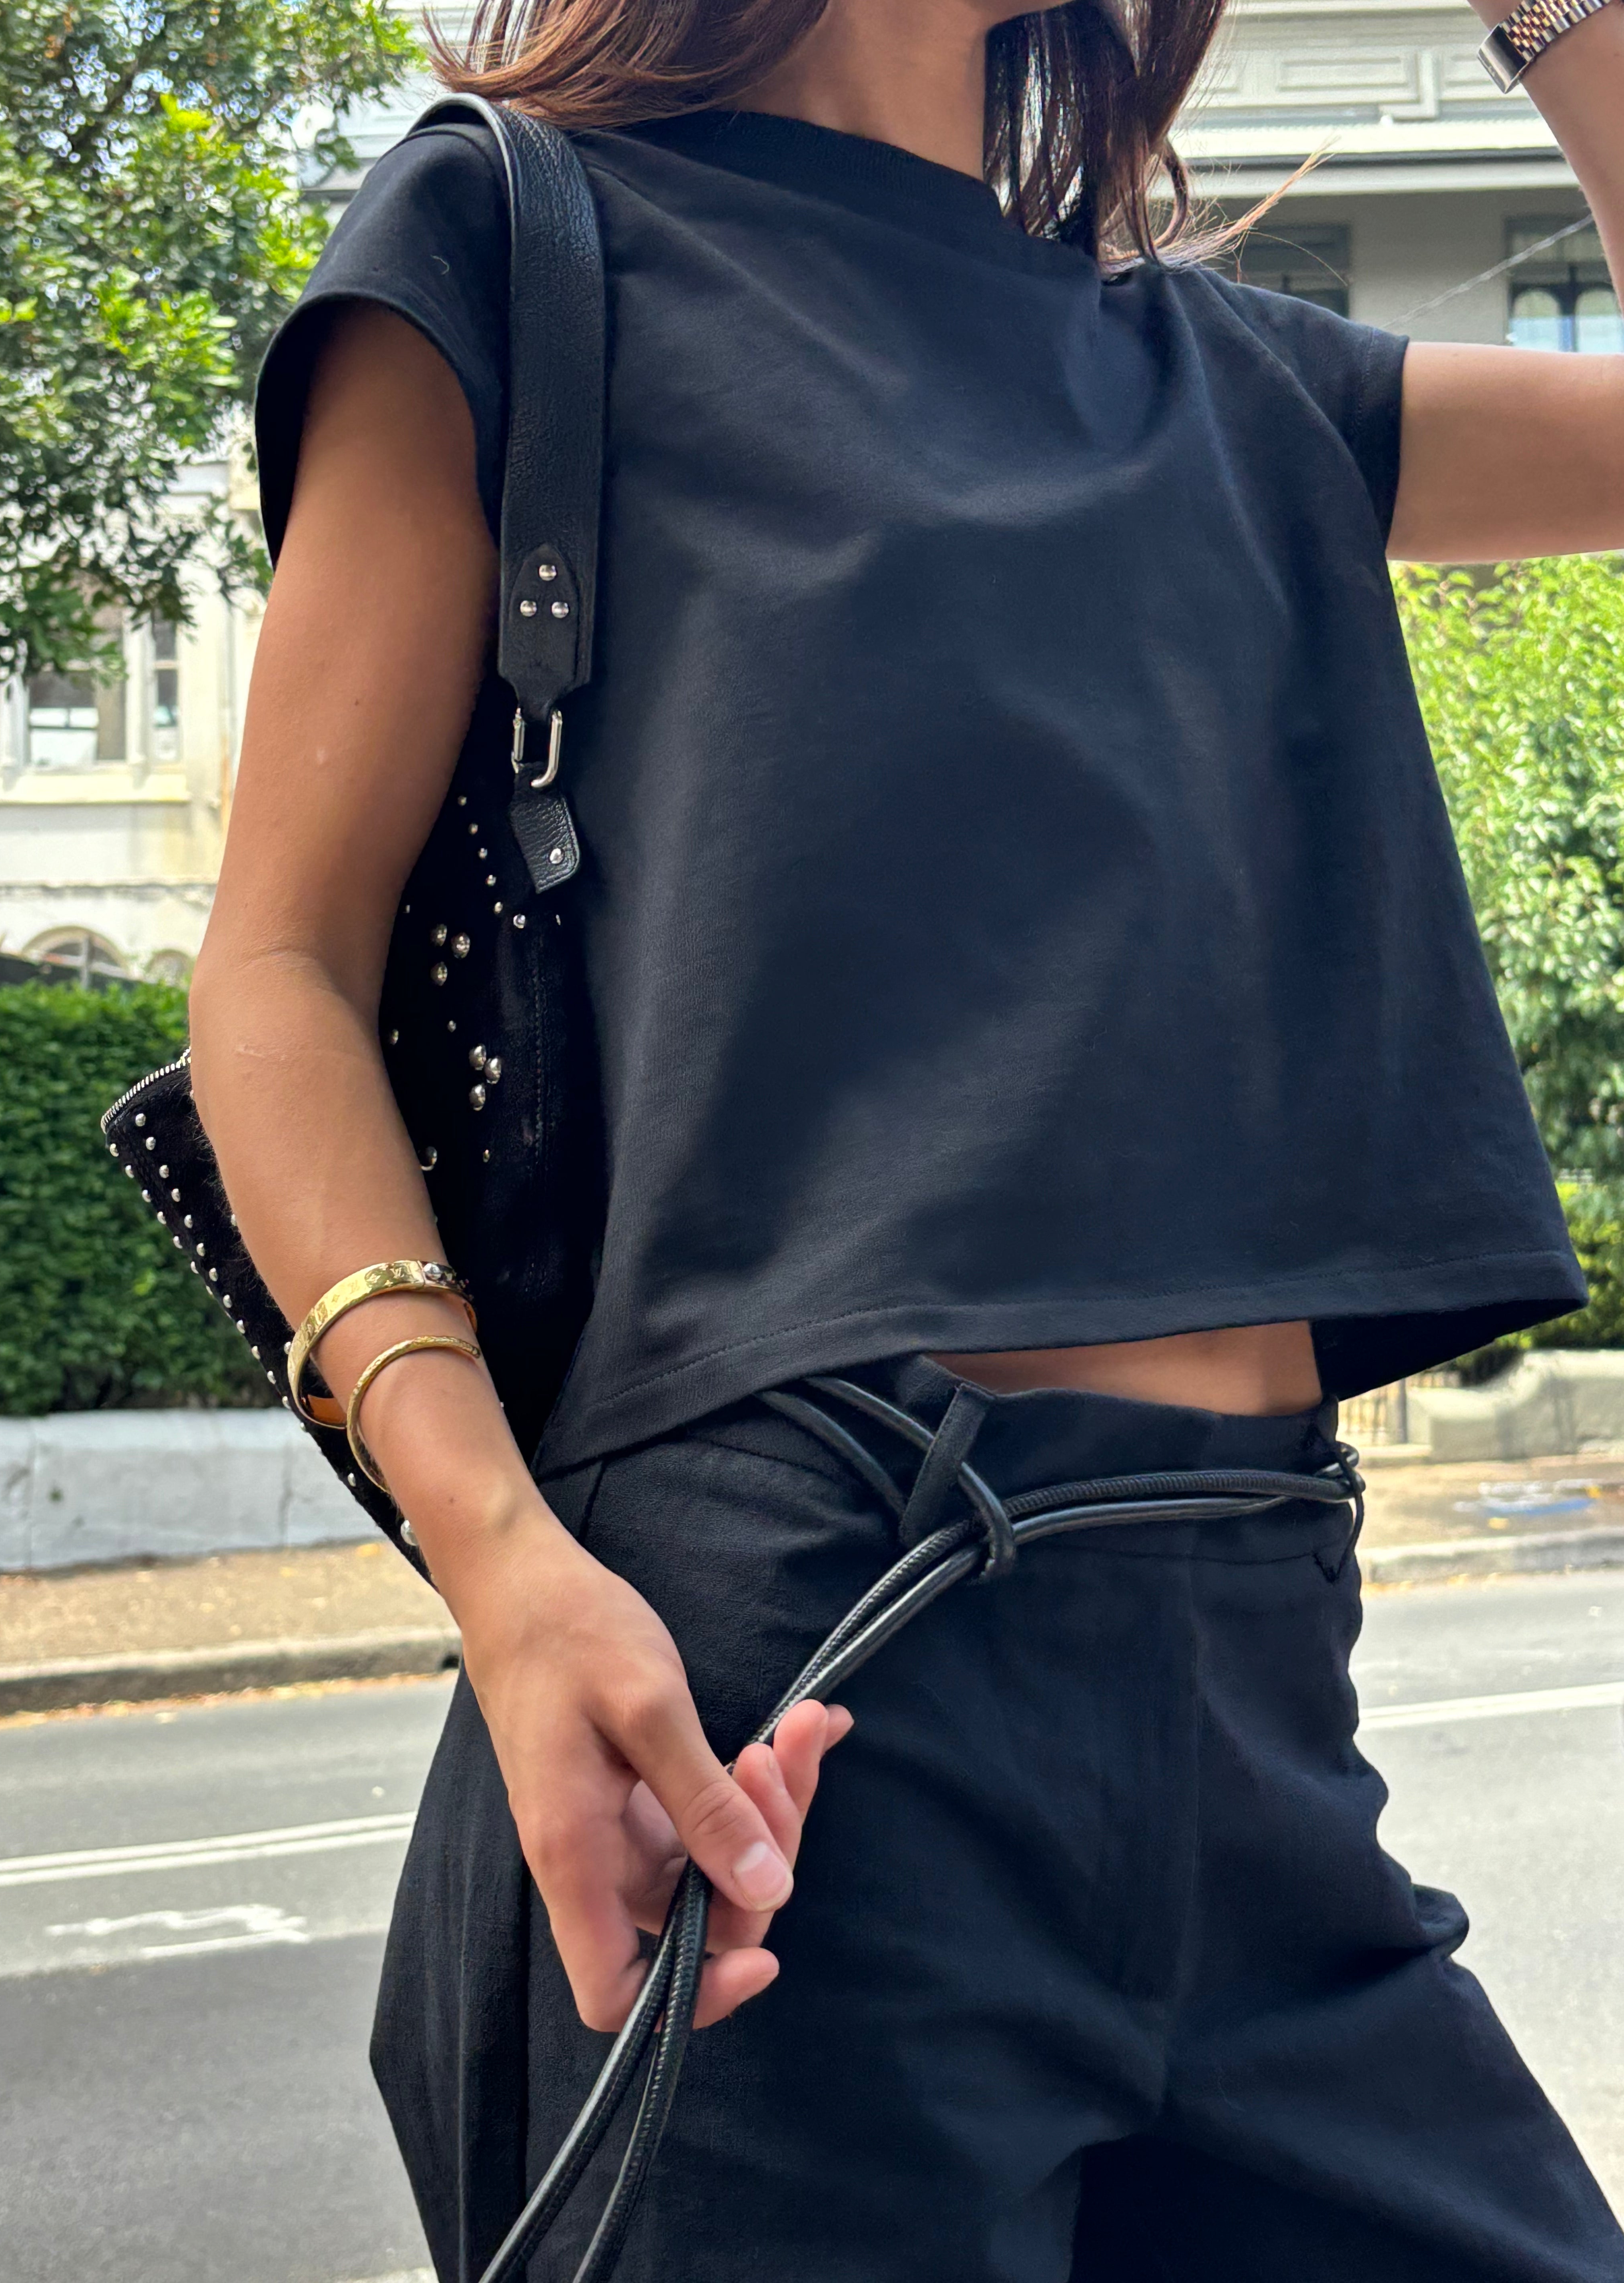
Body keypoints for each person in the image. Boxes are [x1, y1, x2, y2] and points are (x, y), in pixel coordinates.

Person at [189, 0, 1624, 2274]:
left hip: (1256, 1665)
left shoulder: (1234, 381)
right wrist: (495, 1556)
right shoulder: (523, 239)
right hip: (783, 1695)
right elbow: (276, 968)